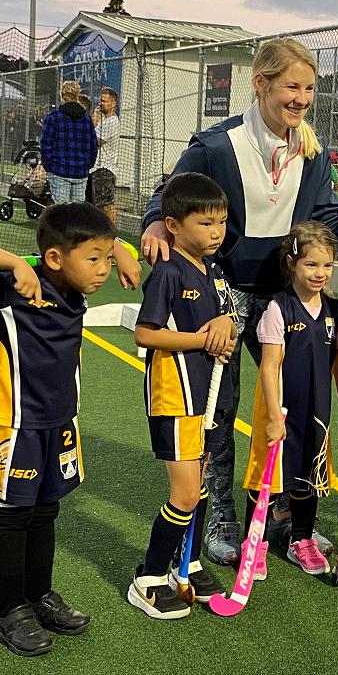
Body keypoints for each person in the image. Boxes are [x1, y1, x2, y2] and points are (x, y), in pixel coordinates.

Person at [138, 38, 338, 567]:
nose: (301, 98)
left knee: (296, 398)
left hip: (284, 295)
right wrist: (156, 223)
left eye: (309, 89)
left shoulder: (312, 150)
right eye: (291, 86)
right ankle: (221, 515)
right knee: (219, 407)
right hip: (224, 292)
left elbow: (326, 217)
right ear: (261, 84)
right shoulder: (216, 146)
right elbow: (170, 194)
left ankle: (281, 511)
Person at [0, 202, 139, 656]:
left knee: (46, 511)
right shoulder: (14, 288)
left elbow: (103, 248)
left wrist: (120, 251)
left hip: (60, 422)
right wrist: (16, 263)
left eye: (106, 259)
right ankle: (10, 611)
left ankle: (38, 596)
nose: (103, 270)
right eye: (94, 259)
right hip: (16, 425)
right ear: (54, 258)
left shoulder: (75, 288)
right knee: (14, 517)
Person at [128, 172, 237, 620]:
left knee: (201, 485)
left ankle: (186, 563)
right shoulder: (169, 271)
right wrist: (202, 340)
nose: (216, 232)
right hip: (176, 396)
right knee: (186, 493)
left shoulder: (214, 271)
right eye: (205, 223)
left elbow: (226, 319)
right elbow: (146, 333)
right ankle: (149, 577)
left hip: (210, 395)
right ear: (172, 225)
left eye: (221, 222)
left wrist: (226, 325)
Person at [240, 222, 338, 579]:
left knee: (307, 477)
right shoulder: (278, 308)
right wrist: (273, 416)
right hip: (279, 410)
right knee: (266, 479)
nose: (320, 273)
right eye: (311, 264)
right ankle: (254, 543)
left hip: (316, 410)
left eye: (327, 265)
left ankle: (301, 539)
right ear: (292, 263)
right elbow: (269, 367)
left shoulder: (333, 309)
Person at [40, 80, 98, 204]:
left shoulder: (53, 117)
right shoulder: (86, 119)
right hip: (80, 171)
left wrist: (49, 166)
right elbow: (93, 145)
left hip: (59, 170)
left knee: (61, 210)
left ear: (62, 95)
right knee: (77, 211)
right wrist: (87, 165)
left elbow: (45, 145)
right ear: (77, 95)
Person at [89, 86, 120, 225]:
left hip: (104, 169)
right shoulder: (104, 121)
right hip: (95, 168)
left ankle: (111, 231)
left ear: (113, 103)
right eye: (100, 100)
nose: (100, 104)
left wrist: (93, 123)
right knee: (95, 205)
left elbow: (96, 142)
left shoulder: (112, 122)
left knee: (105, 205)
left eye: (104, 101)